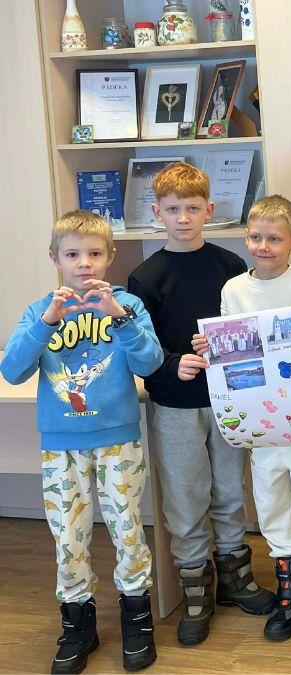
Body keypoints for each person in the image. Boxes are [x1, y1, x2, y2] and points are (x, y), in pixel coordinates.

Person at [1, 211, 163, 673]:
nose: (84, 263)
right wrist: (46, 323)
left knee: (128, 529)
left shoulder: (126, 304)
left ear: (110, 257)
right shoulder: (40, 310)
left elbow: (150, 364)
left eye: (94, 253)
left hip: (117, 441)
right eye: (72, 254)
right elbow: (12, 370)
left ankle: (137, 619)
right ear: (56, 258)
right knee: (68, 538)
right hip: (61, 445)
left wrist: (121, 319)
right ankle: (77, 624)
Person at [127, 162, 274, 647]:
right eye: (173, 209)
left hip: (227, 399)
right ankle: (195, 593)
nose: (183, 218)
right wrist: (174, 364)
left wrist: (225, 346)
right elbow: (140, 348)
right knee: (185, 497)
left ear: (209, 210)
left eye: (192, 208)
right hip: (174, 405)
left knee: (230, 490)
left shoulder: (230, 266)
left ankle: (235, 579)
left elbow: (250, 329)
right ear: (157, 214)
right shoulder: (144, 277)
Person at [193, 195, 291, 644]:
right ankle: (289, 585)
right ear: (246, 238)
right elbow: (229, 354)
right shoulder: (234, 290)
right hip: (262, 424)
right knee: (272, 501)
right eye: (256, 237)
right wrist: (210, 347)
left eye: (274, 239)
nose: (264, 246)